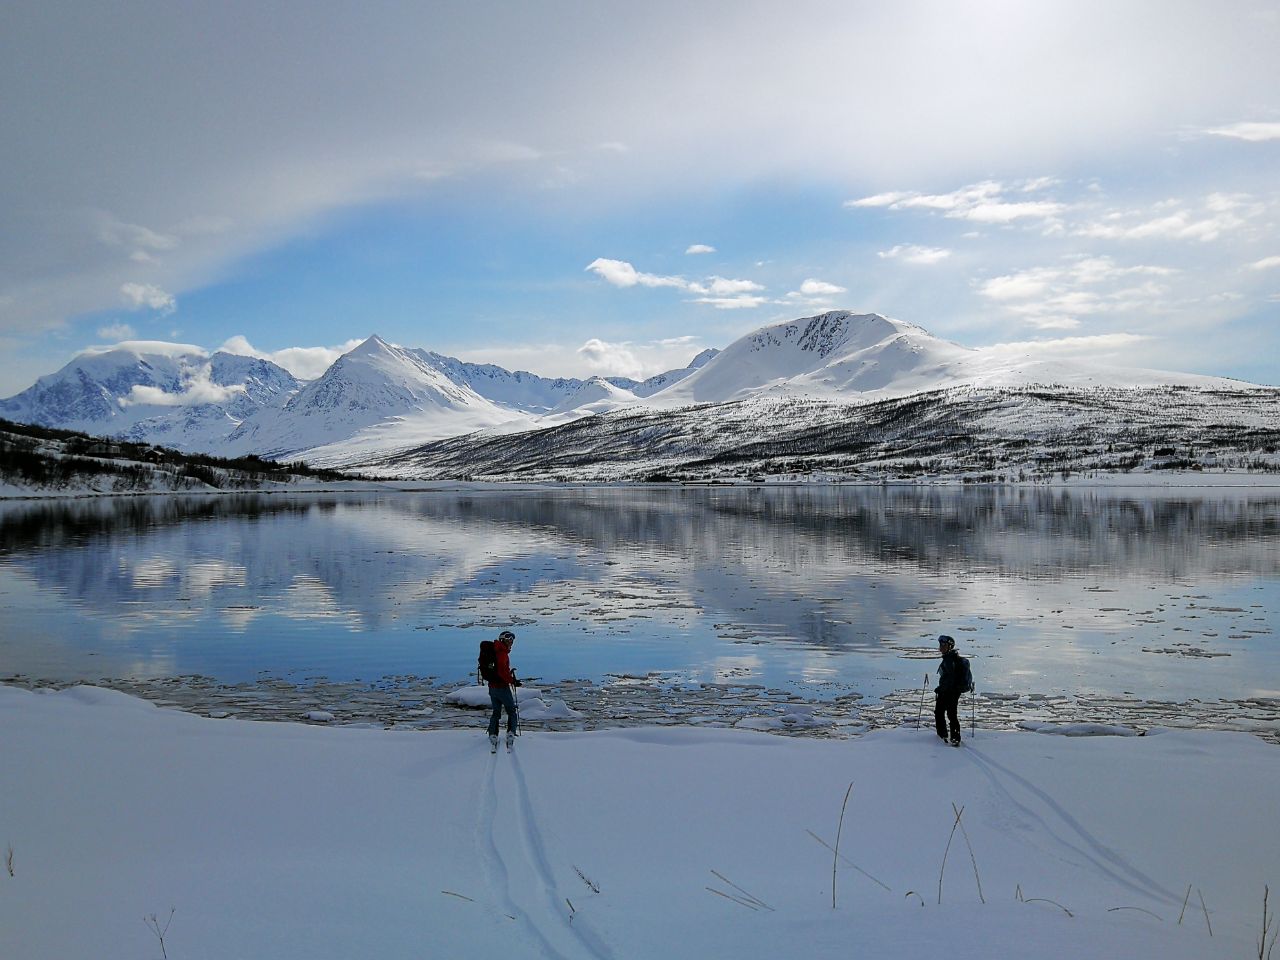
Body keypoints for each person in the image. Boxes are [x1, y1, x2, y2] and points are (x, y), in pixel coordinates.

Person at [934, 634, 973, 746]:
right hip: (954, 691)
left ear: (949, 646)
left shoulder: (949, 660)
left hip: (949, 691)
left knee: (940, 712)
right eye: (940, 644)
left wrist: (940, 689)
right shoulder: (951, 658)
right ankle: (954, 736)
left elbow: (949, 678)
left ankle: (943, 734)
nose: (940, 647)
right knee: (951, 714)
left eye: (943, 644)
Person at [487, 630, 521, 751]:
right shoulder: (502, 654)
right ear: (503, 640)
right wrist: (513, 681)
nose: (511, 642)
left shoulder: (494, 650)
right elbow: (502, 672)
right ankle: (511, 733)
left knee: (496, 712)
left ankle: (493, 734)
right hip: (502, 688)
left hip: (492, 687)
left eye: (512, 640)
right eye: (508, 640)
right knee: (511, 711)